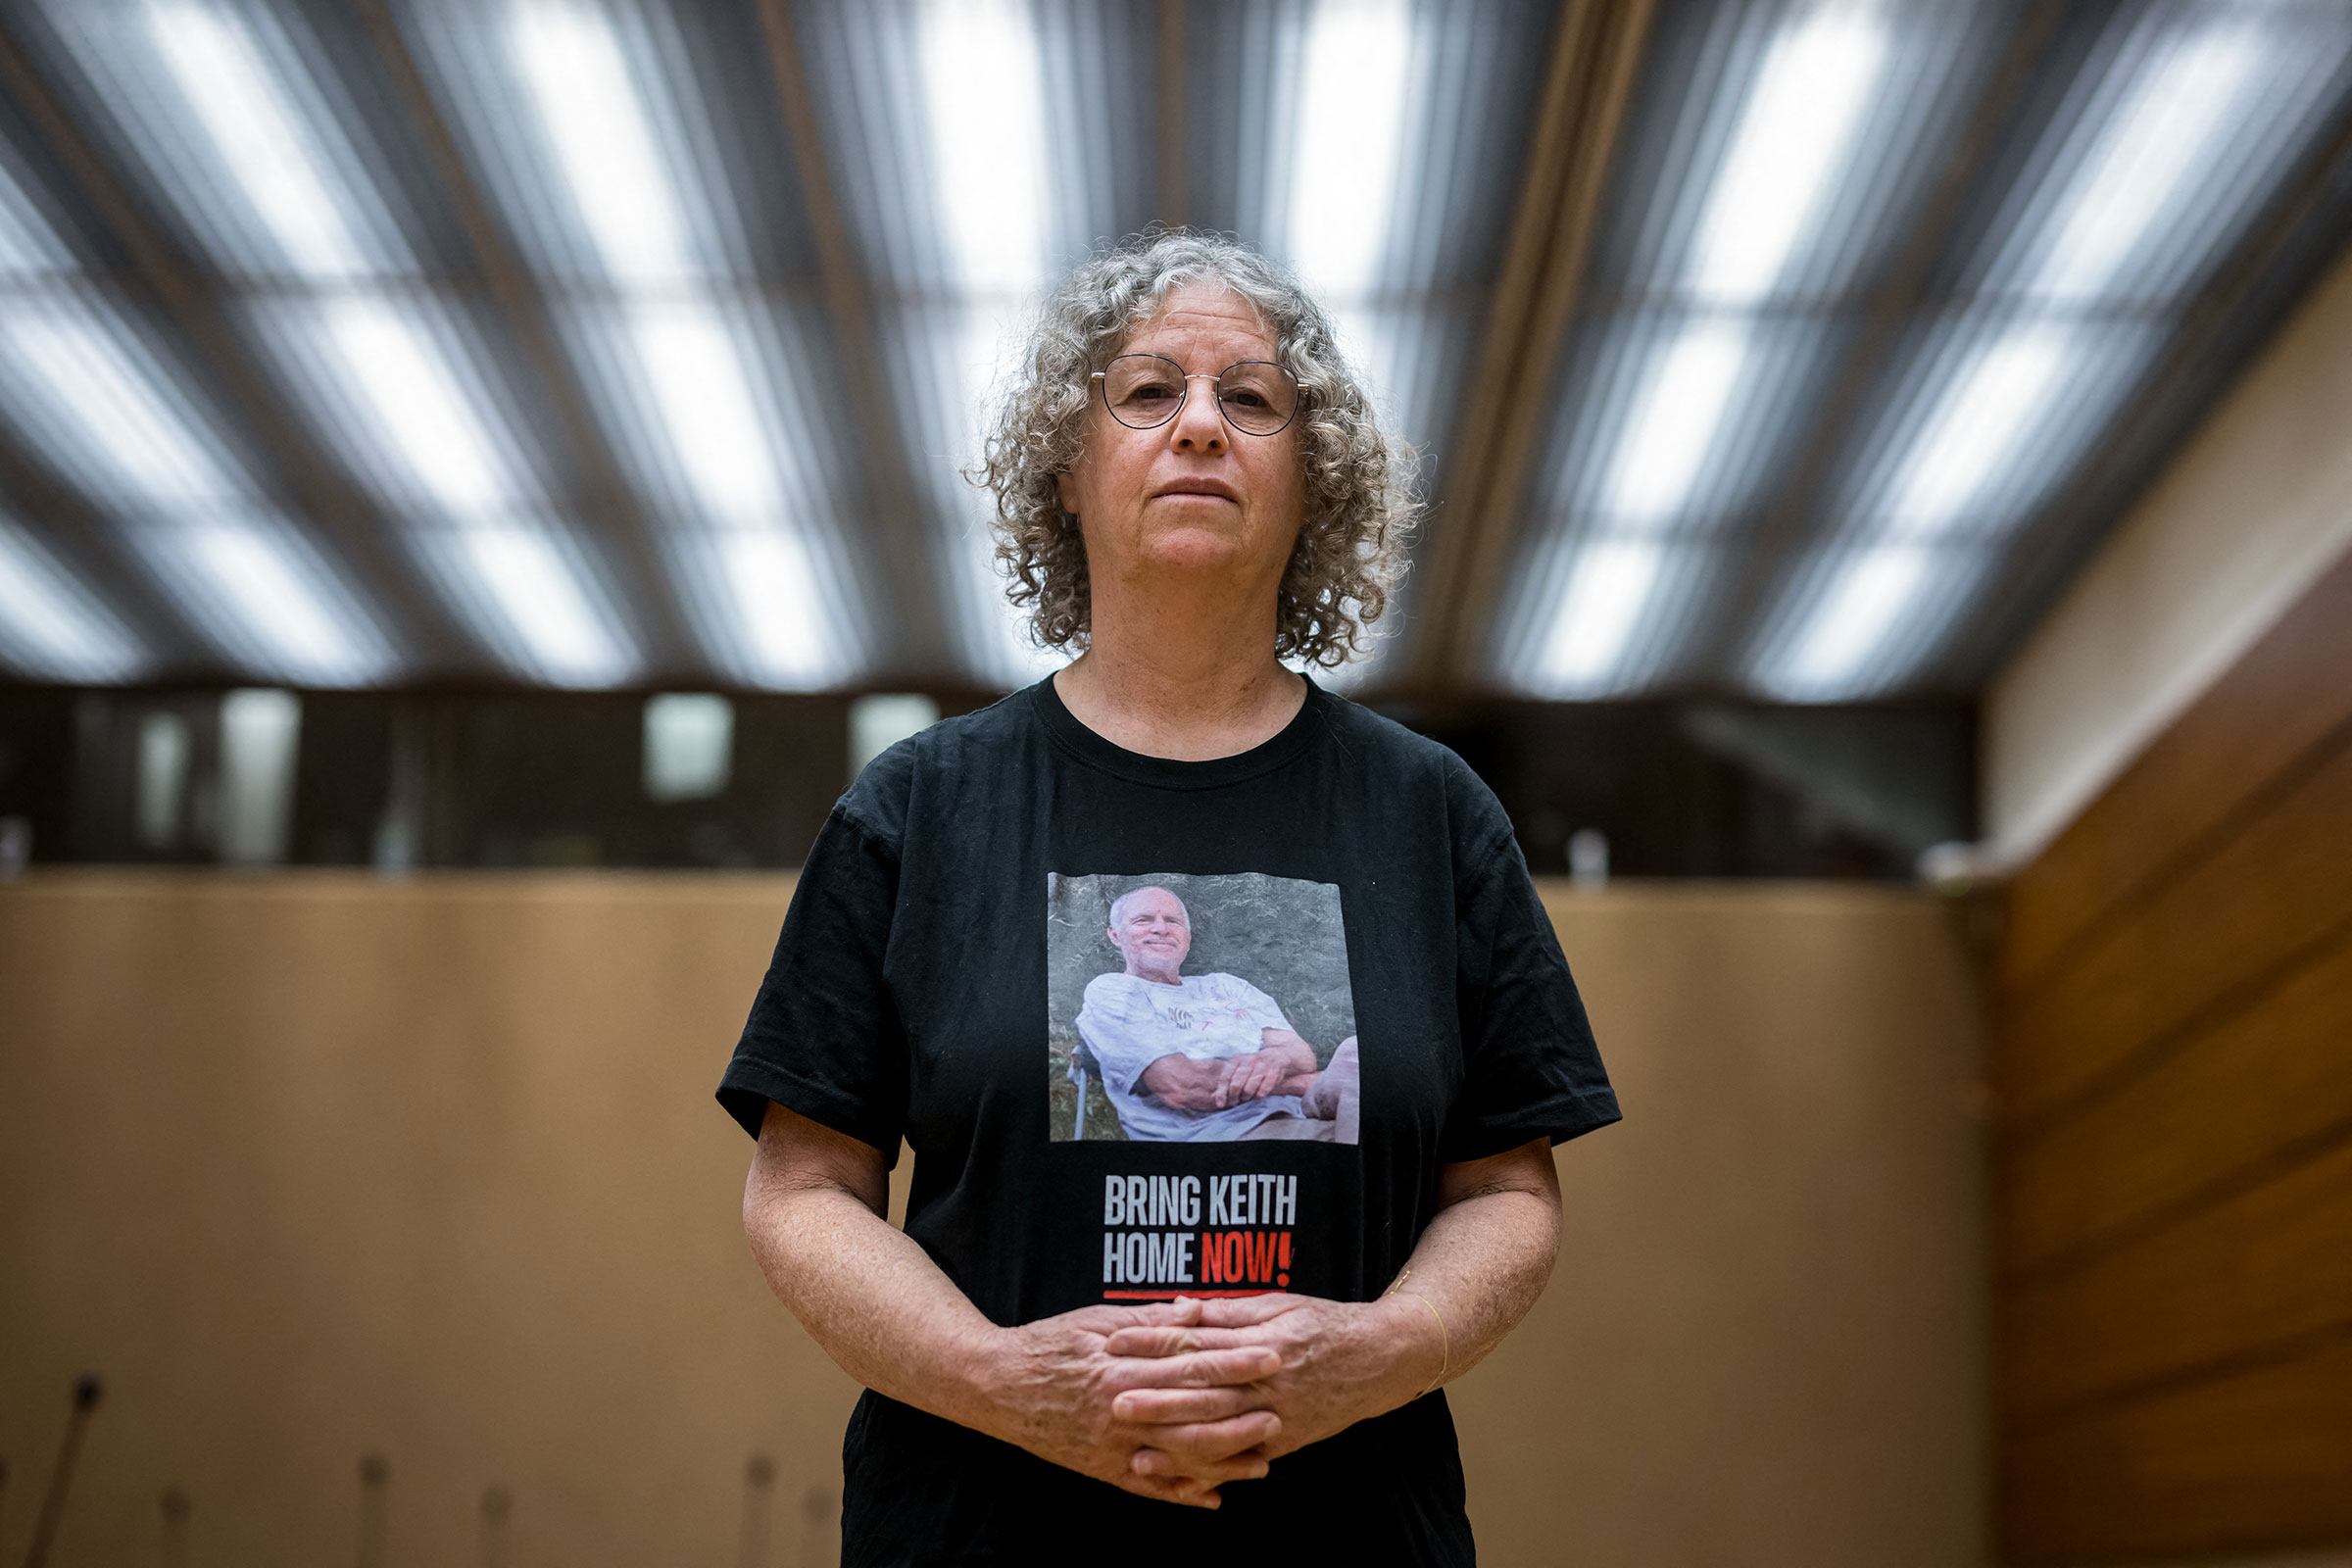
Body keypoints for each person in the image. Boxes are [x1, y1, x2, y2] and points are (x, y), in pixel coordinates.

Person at [720, 230, 1618, 1566]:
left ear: (1311, 486)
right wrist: (1001, 1380)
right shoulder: (919, 808)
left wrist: (1380, 1350)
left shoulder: (1430, 813)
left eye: (1249, 399)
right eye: (1149, 393)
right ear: (1068, 474)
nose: (1200, 424)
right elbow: (801, 1191)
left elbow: (1507, 1188)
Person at [1075, 883, 1361, 1143]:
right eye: (1143, 920)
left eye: (1172, 921)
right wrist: (1295, 1081)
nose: (1161, 928)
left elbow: (1301, 1055)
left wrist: (1276, 1057)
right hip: (1226, 1133)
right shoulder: (1113, 991)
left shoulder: (1227, 985)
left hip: (1301, 1108)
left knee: (1355, 1053)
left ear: (1186, 938)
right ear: (1115, 935)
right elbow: (1183, 1087)